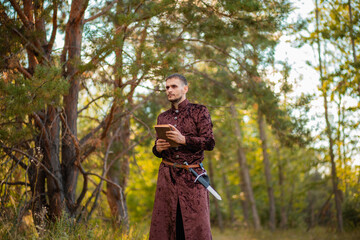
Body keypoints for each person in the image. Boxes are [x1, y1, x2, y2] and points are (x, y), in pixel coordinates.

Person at [149, 73, 215, 240]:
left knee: (196, 228)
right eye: (167, 87)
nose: (169, 90)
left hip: (193, 179)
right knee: (167, 227)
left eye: (174, 86)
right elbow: (158, 151)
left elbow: (209, 143)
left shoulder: (199, 111)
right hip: (167, 180)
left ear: (185, 88)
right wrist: (157, 148)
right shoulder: (163, 117)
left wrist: (184, 140)